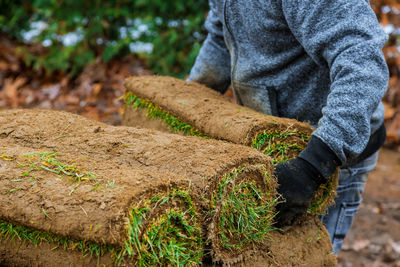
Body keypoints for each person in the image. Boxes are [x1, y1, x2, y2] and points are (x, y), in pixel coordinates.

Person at [187, 0, 388, 254]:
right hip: (273, 143)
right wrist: (189, 99)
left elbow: (362, 60)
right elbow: (221, 36)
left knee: (304, 257)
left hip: (328, 153)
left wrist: (315, 164)